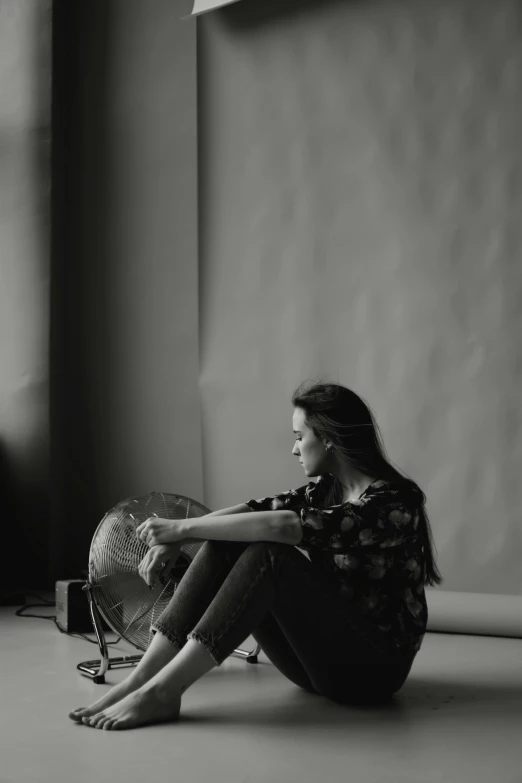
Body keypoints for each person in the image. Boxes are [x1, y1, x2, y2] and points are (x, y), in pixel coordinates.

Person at [68, 380, 442, 730]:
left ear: (328, 439)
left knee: (269, 555)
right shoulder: (329, 490)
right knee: (232, 536)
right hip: (316, 665)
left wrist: (180, 530)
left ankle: (163, 692)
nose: (294, 448)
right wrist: (180, 537)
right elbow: (253, 511)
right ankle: (143, 678)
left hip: (370, 674)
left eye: (300, 437)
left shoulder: (393, 503)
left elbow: (280, 527)